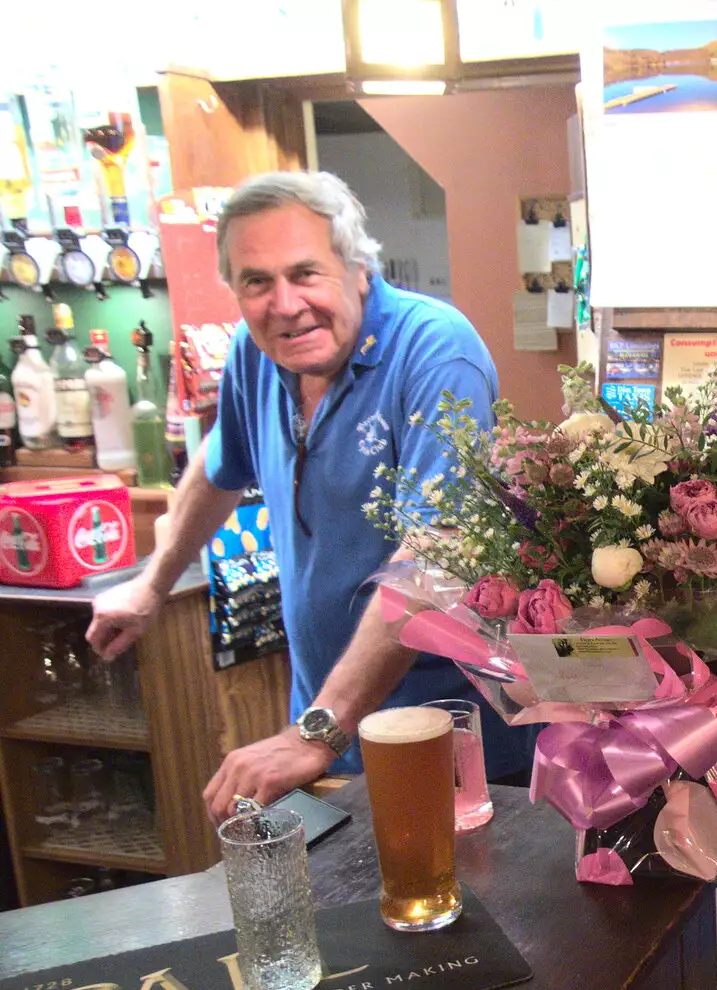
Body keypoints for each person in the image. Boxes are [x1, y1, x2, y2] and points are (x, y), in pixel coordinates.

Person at [86, 171, 530, 819]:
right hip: (332, 729)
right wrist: (152, 584)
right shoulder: (255, 351)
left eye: (306, 273)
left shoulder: (435, 349)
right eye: (256, 282)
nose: (285, 304)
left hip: (450, 739)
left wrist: (315, 731)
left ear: (357, 268)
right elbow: (218, 468)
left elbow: (438, 555)